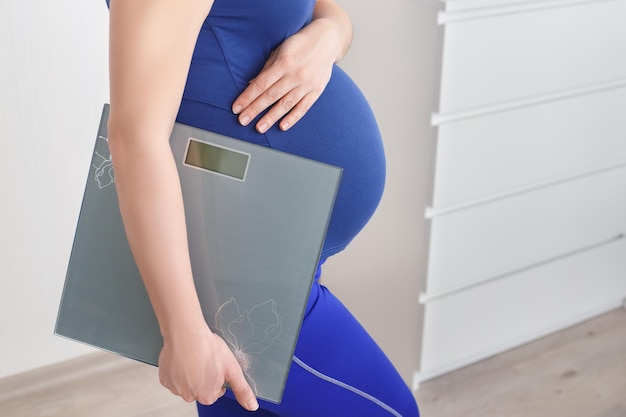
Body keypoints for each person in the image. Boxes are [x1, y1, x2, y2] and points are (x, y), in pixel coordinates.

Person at [105, 0, 419, 416]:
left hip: (278, 254)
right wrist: (183, 332)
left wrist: (329, 37)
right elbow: (134, 137)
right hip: (243, 265)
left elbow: (325, 10)